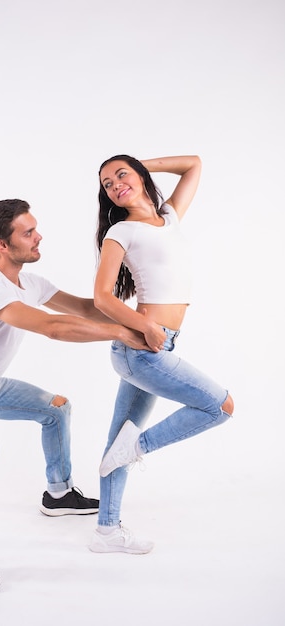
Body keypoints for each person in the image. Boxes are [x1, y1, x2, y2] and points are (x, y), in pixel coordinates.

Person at [0, 198, 146, 591]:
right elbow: (52, 327)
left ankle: (58, 493)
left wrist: (136, 315)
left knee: (57, 409)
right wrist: (121, 332)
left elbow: (84, 309)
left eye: (35, 227)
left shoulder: (30, 281)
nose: (38, 236)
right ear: (2, 245)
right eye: (28, 233)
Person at [88, 154, 234, 554]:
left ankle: (106, 533)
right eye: (107, 184)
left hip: (155, 346)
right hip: (143, 347)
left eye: (121, 175)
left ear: (140, 175)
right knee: (220, 407)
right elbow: (102, 297)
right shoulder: (121, 230)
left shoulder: (168, 218)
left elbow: (194, 165)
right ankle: (140, 447)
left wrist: (139, 163)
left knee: (119, 437)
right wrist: (149, 327)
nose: (115, 185)